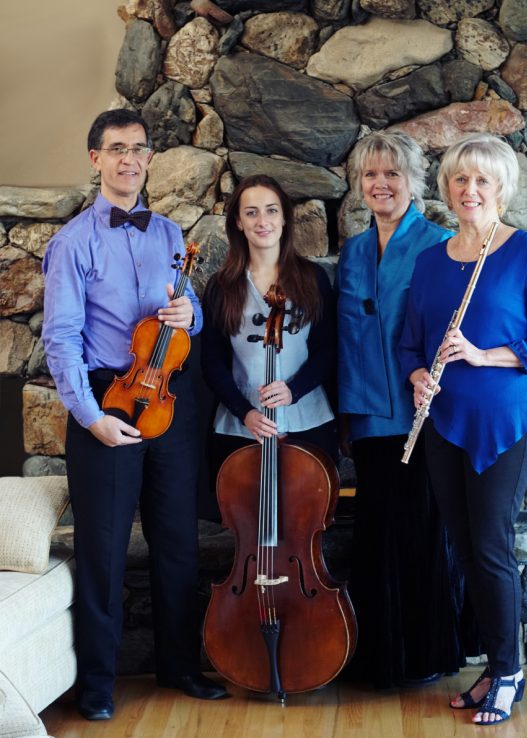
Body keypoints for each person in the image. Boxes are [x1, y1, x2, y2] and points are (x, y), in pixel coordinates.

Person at [42, 109, 227, 721]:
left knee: (176, 541)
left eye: (139, 150)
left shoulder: (171, 234)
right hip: (106, 401)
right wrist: (91, 417)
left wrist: (188, 318)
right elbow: (62, 338)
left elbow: (190, 313)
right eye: (117, 149)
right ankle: (98, 683)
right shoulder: (72, 242)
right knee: (103, 548)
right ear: (95, 158)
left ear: (149, 159)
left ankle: (179, 666)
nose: (129, 160)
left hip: (168, 399)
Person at [398, 133, 527, 724]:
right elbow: (408, 343)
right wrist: (420, 374)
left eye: (482, 181)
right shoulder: (430, 261)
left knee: (491, 547)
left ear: (502, 190)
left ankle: (511, 670)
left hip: (505, 423)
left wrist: (480, 353)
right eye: (460, 179)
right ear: (447, 187)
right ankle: (496, 668)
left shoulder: (526, 254)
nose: (470, 190)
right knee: (465, 548)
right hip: (444, 422)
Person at [336, 130, 470, 688]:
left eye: (392, 174)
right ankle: (380, 660)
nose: (380, 184)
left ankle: (422, 659)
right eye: (370, 174)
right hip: (366, 419)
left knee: (417, 535)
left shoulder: (441, 246)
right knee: (375, 537)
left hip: (423, 418)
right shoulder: (353, 251)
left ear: (414, 182)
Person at [200, 173, 337, 486]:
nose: (263, 221)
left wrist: (295, 389)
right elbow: (212, 362)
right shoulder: (221, 287)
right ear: (238, 222)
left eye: (272, 210)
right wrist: (244, 412)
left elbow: (327, 350)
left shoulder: (313, 278)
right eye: (251, 212)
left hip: (307, 419)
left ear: (285, 218)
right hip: (240, 424)